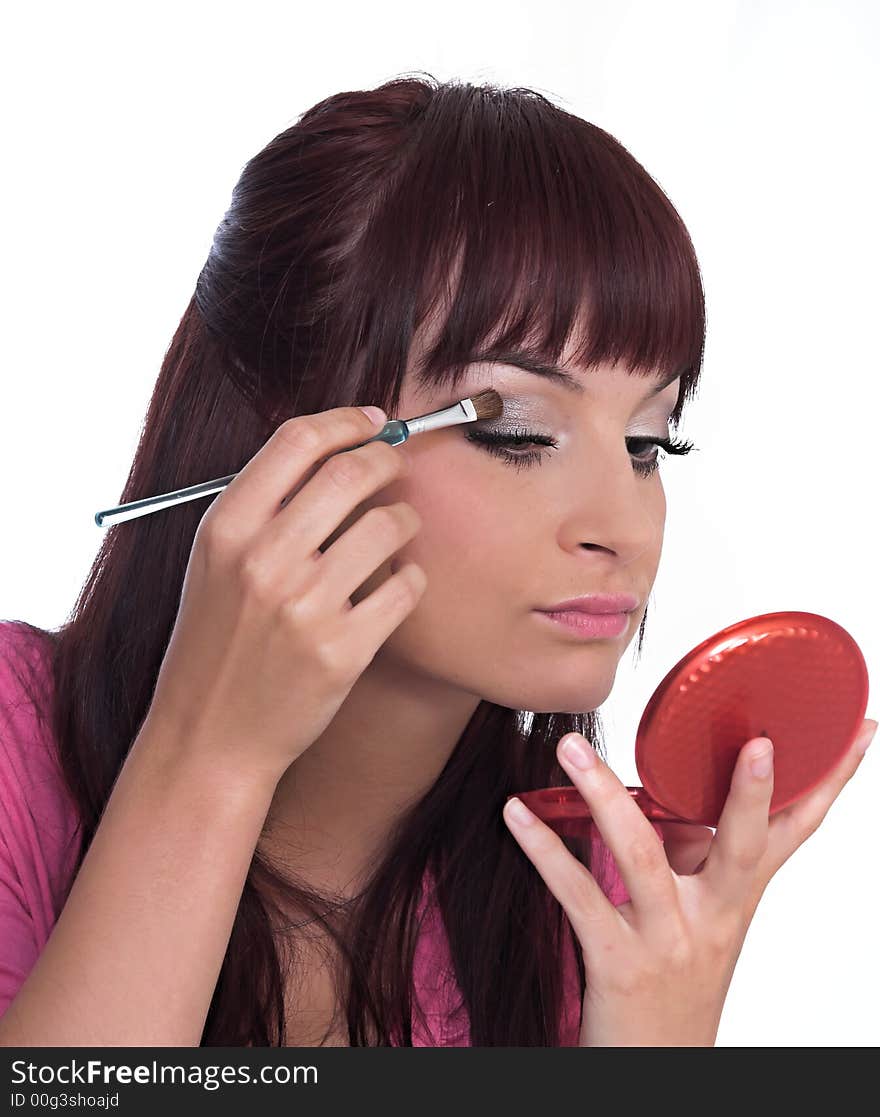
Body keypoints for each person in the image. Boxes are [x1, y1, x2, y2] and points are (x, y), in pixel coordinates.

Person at [1, 73, 874, 1049]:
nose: (621, 524)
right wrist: (211, 760)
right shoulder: (12, 750)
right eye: (520, 431)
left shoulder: (583, 887)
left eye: (646, 443)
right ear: (280, 436)